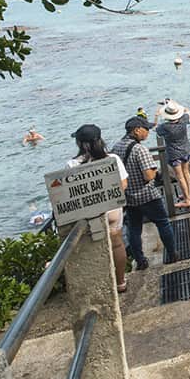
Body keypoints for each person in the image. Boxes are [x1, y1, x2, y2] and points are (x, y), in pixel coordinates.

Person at [68, 124, 129, 292]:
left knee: (94, 248)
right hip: (112, 209)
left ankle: (102, 285)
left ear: (80, 144)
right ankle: (121, 281)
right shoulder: (113, 159)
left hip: (90, 212)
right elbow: (123, 184)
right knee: (117, 244)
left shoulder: (73, 165)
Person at [111, 116, 177, 268]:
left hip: (129, 197)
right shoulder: (139, 149)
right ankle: (172, 254)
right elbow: (148, 175)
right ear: (137, 130)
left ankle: (140, 261)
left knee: (134, 229)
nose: (148, 132)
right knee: (162, 223)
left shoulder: (116, 148)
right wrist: (155, 173)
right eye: (146, 129)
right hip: (147, 195)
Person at [155, 100, 190, 209]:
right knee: (186, 172)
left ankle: (186, 200)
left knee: (180, 176)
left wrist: (156, 115)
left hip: (174, 153)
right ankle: (188, 195)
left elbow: (155, 129)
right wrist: (174, 104)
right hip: (186, 149)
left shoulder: (165, 127)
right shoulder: (183, 121)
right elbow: (187, 111)